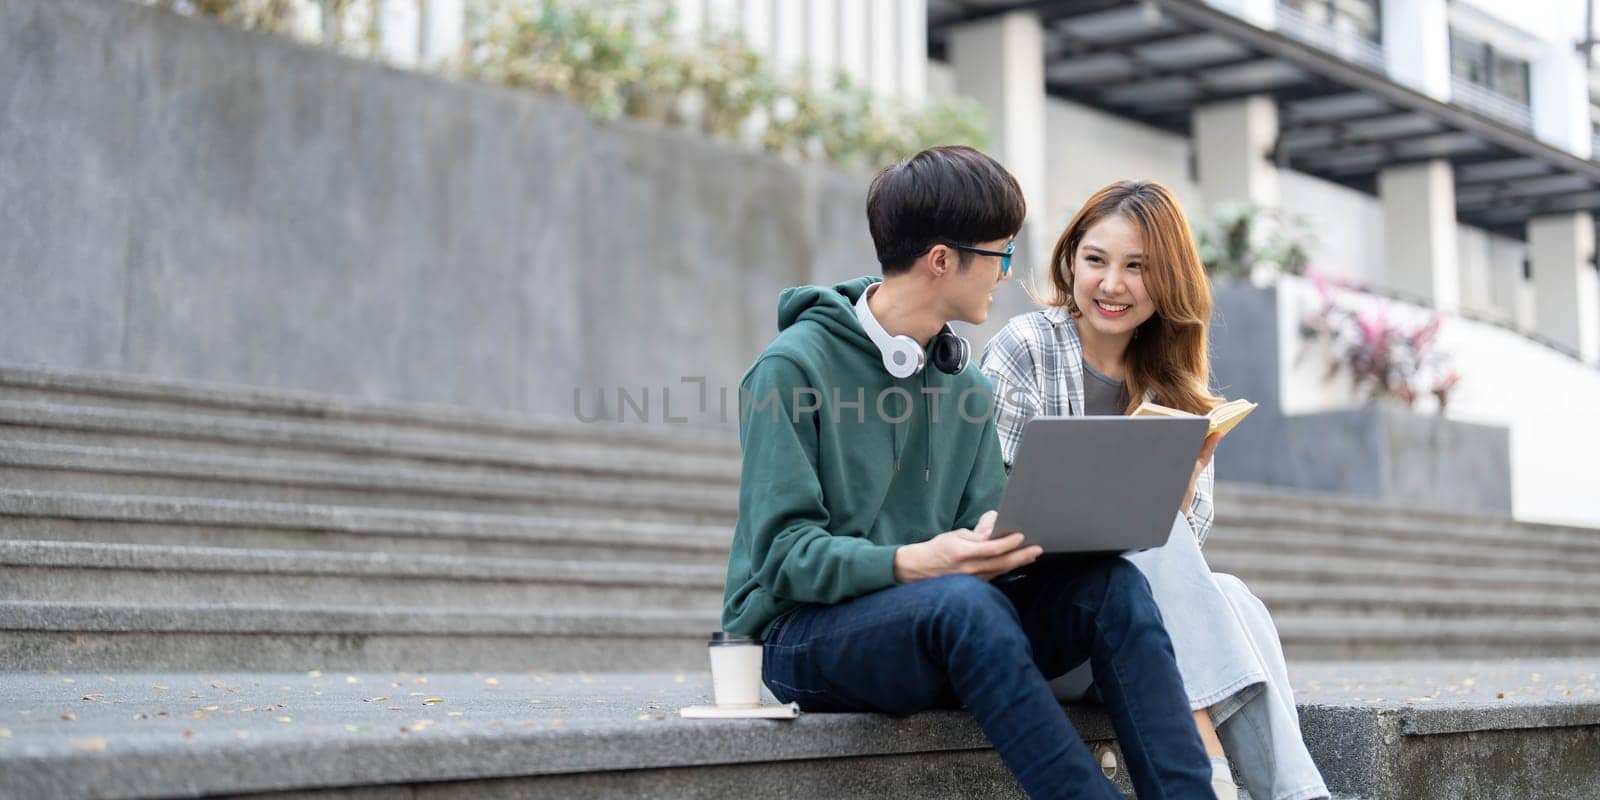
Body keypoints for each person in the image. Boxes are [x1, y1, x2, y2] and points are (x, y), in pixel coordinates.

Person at [721, 146, 1216, 799]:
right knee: (963, 603)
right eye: (998, 255)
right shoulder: (792, 370)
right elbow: (784, 559)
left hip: (945, 624)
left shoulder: (967, 386)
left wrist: (1034, 533)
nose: (1006, 275)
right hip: (804, 637)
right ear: (942, 260)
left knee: (1112, 589)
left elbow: (985, 539)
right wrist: (920, 561)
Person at [979, 179, 1330, 800]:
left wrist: (1184, 479)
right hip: (1046, 625)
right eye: (1096, 260)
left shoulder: (1173, 387)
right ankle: (1214, 772)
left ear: (1167, 280)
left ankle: (1293, 794)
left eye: (1137, 267)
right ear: (1070, 261)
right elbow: (994, 504)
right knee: (1170, 553)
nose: (1112, 285)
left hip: (1139, 645)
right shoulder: (1025, 348)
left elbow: (1181, 571)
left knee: (1235, 595)